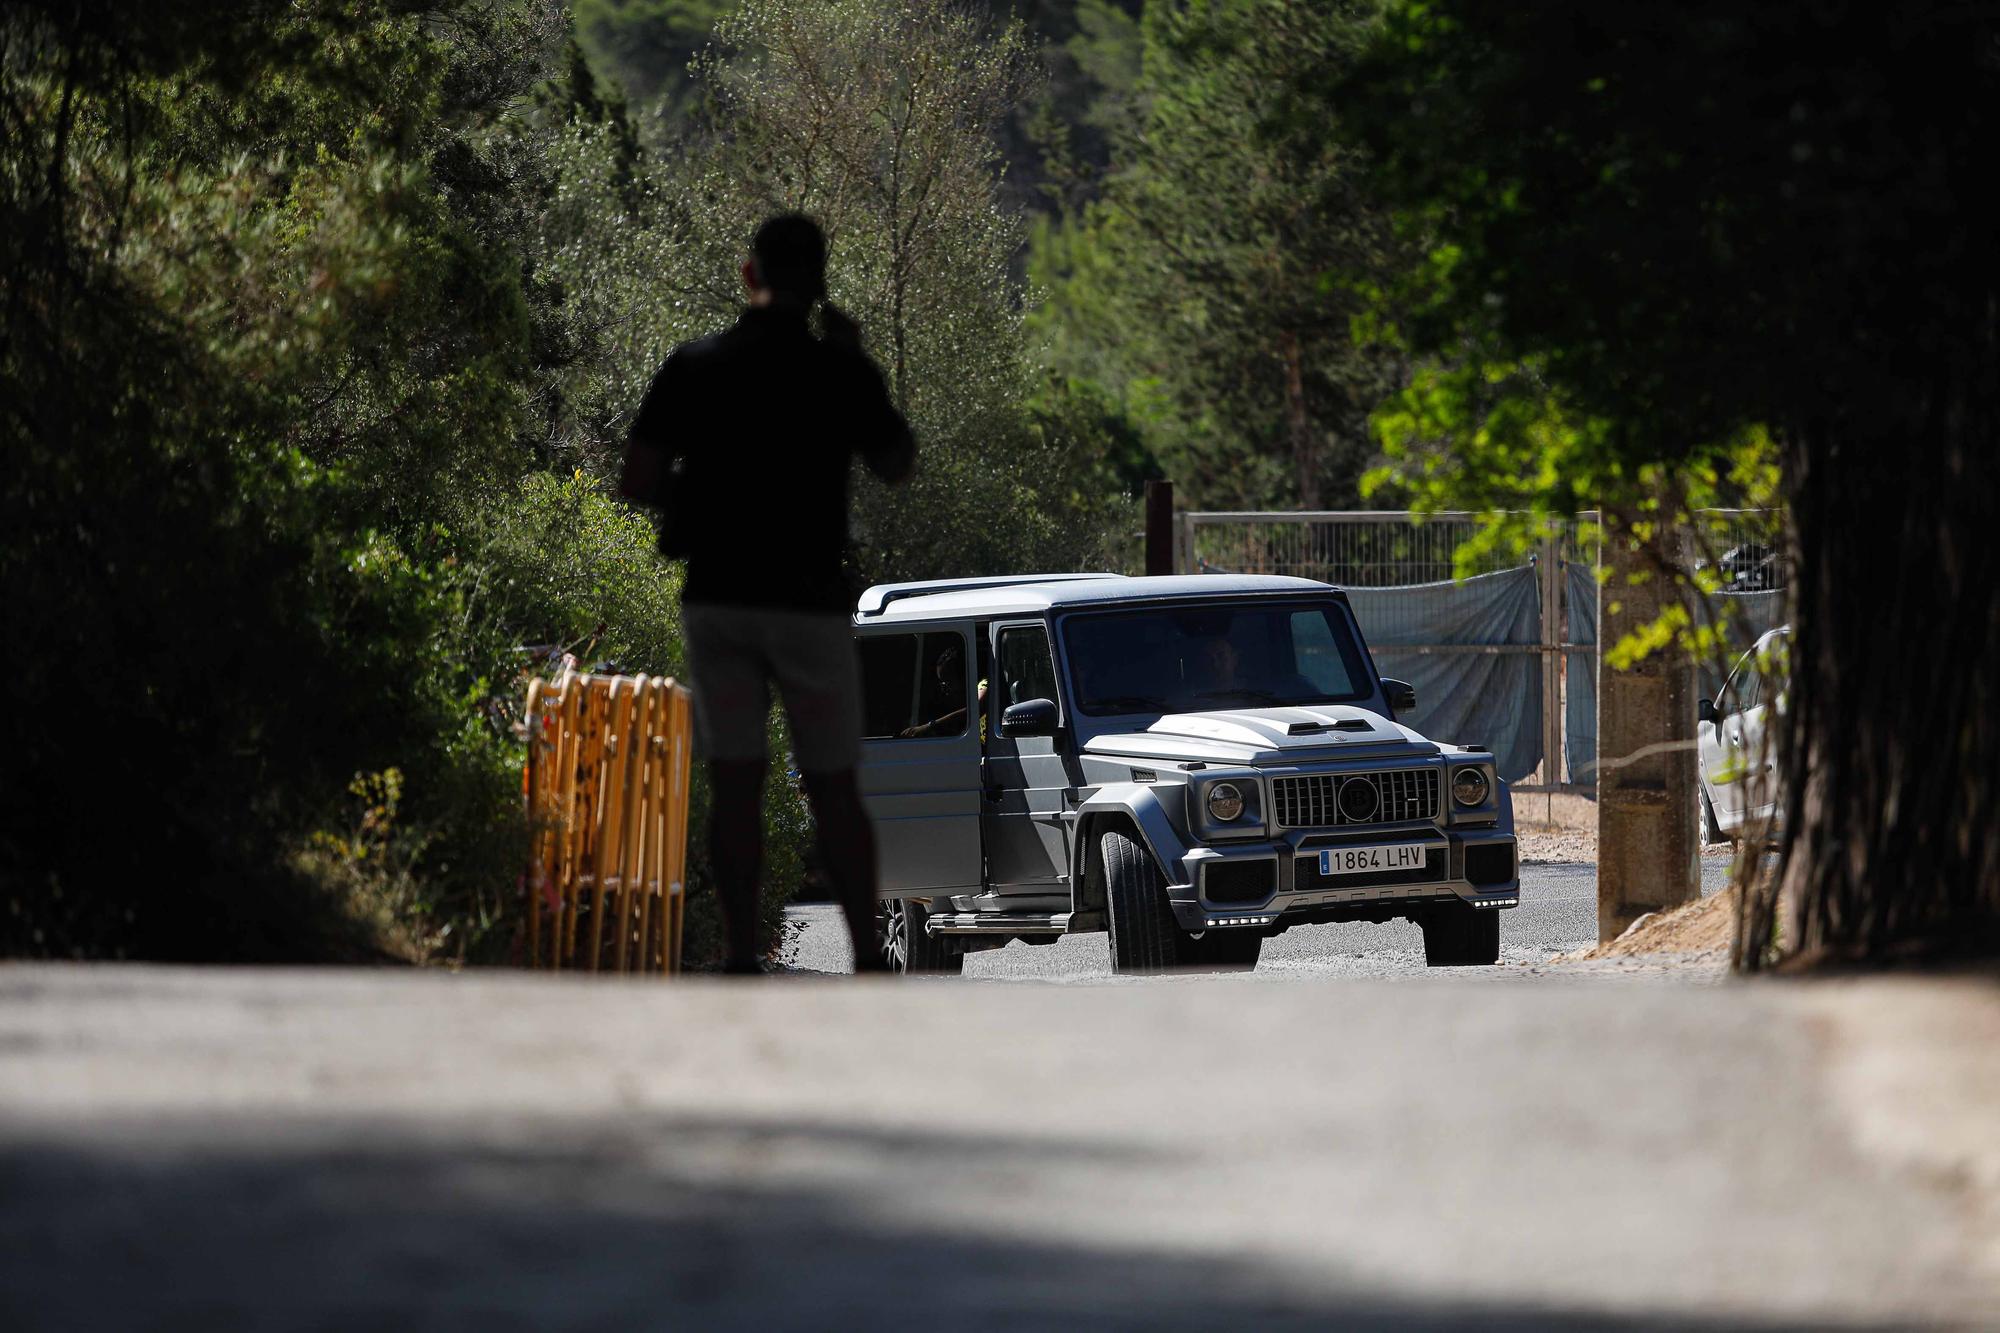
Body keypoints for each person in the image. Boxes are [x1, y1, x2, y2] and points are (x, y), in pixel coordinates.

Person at [621, 213, 915, 975]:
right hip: (811, 600)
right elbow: (895, 462)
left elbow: (639, 480)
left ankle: (742, 954)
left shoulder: (694, 366)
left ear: (750, 275)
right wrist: (854, 363)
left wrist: (704, 494)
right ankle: (869, 961)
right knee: (835, 785)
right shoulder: (838, 371)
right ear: (819, 283)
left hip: (720, 595)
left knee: (736, 778)